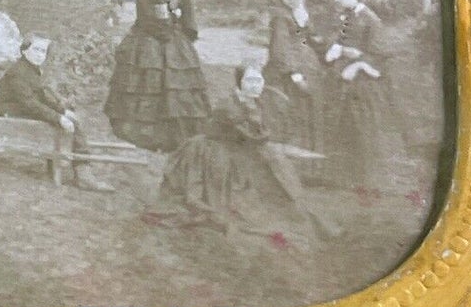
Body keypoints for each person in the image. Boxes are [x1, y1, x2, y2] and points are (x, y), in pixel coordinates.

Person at [145, 64, 338, 239]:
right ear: (239, 83)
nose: (256, 86)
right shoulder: (228, 106)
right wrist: (265, 140)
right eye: (250, 81)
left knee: (277, 173)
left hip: (241, 147)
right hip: (215, 151)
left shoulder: (254, 102)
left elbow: (258, 133)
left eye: (259, 80)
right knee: (246, 186)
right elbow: (253, 136)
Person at [103, 0, 211, 153]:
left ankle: (182, 129)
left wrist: (186, 29)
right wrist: (167, 33)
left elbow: (187, 6)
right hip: (152, 39)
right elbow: (148, 21)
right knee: (152, 81)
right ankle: (155, 134)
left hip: (175, 36)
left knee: (180, 82)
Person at [322, 0, 398, 187]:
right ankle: (344, 179)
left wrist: (357, 64)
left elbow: (381, 54)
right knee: (345, 126)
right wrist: (338, 48)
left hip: (363, 83)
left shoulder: (370, 19)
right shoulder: (346, 16)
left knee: (362, 127)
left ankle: (368, 181)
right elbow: (341, 40)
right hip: (344, 81)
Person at [0, 34, 93, 185]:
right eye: (36, 49)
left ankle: (80, 166)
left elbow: (42, 96)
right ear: (24, 50)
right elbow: (30, 103)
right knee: (60, 124)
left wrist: (63, 111)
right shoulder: (18, 72)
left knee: (69, 120)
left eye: (43, 51)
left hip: (21, 108)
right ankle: (83, 174)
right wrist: (59, 118)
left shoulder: (31, 69)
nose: (40, 55)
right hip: (11, 111)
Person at [263, 0, 326, 154]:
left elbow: (307, 38)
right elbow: (279, 50)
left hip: (308, 66)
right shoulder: (280, 16)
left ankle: (312, 160)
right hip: (287, 73)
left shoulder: (299, 12)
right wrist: (295, 75)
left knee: (311, 111)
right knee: (293, 113)